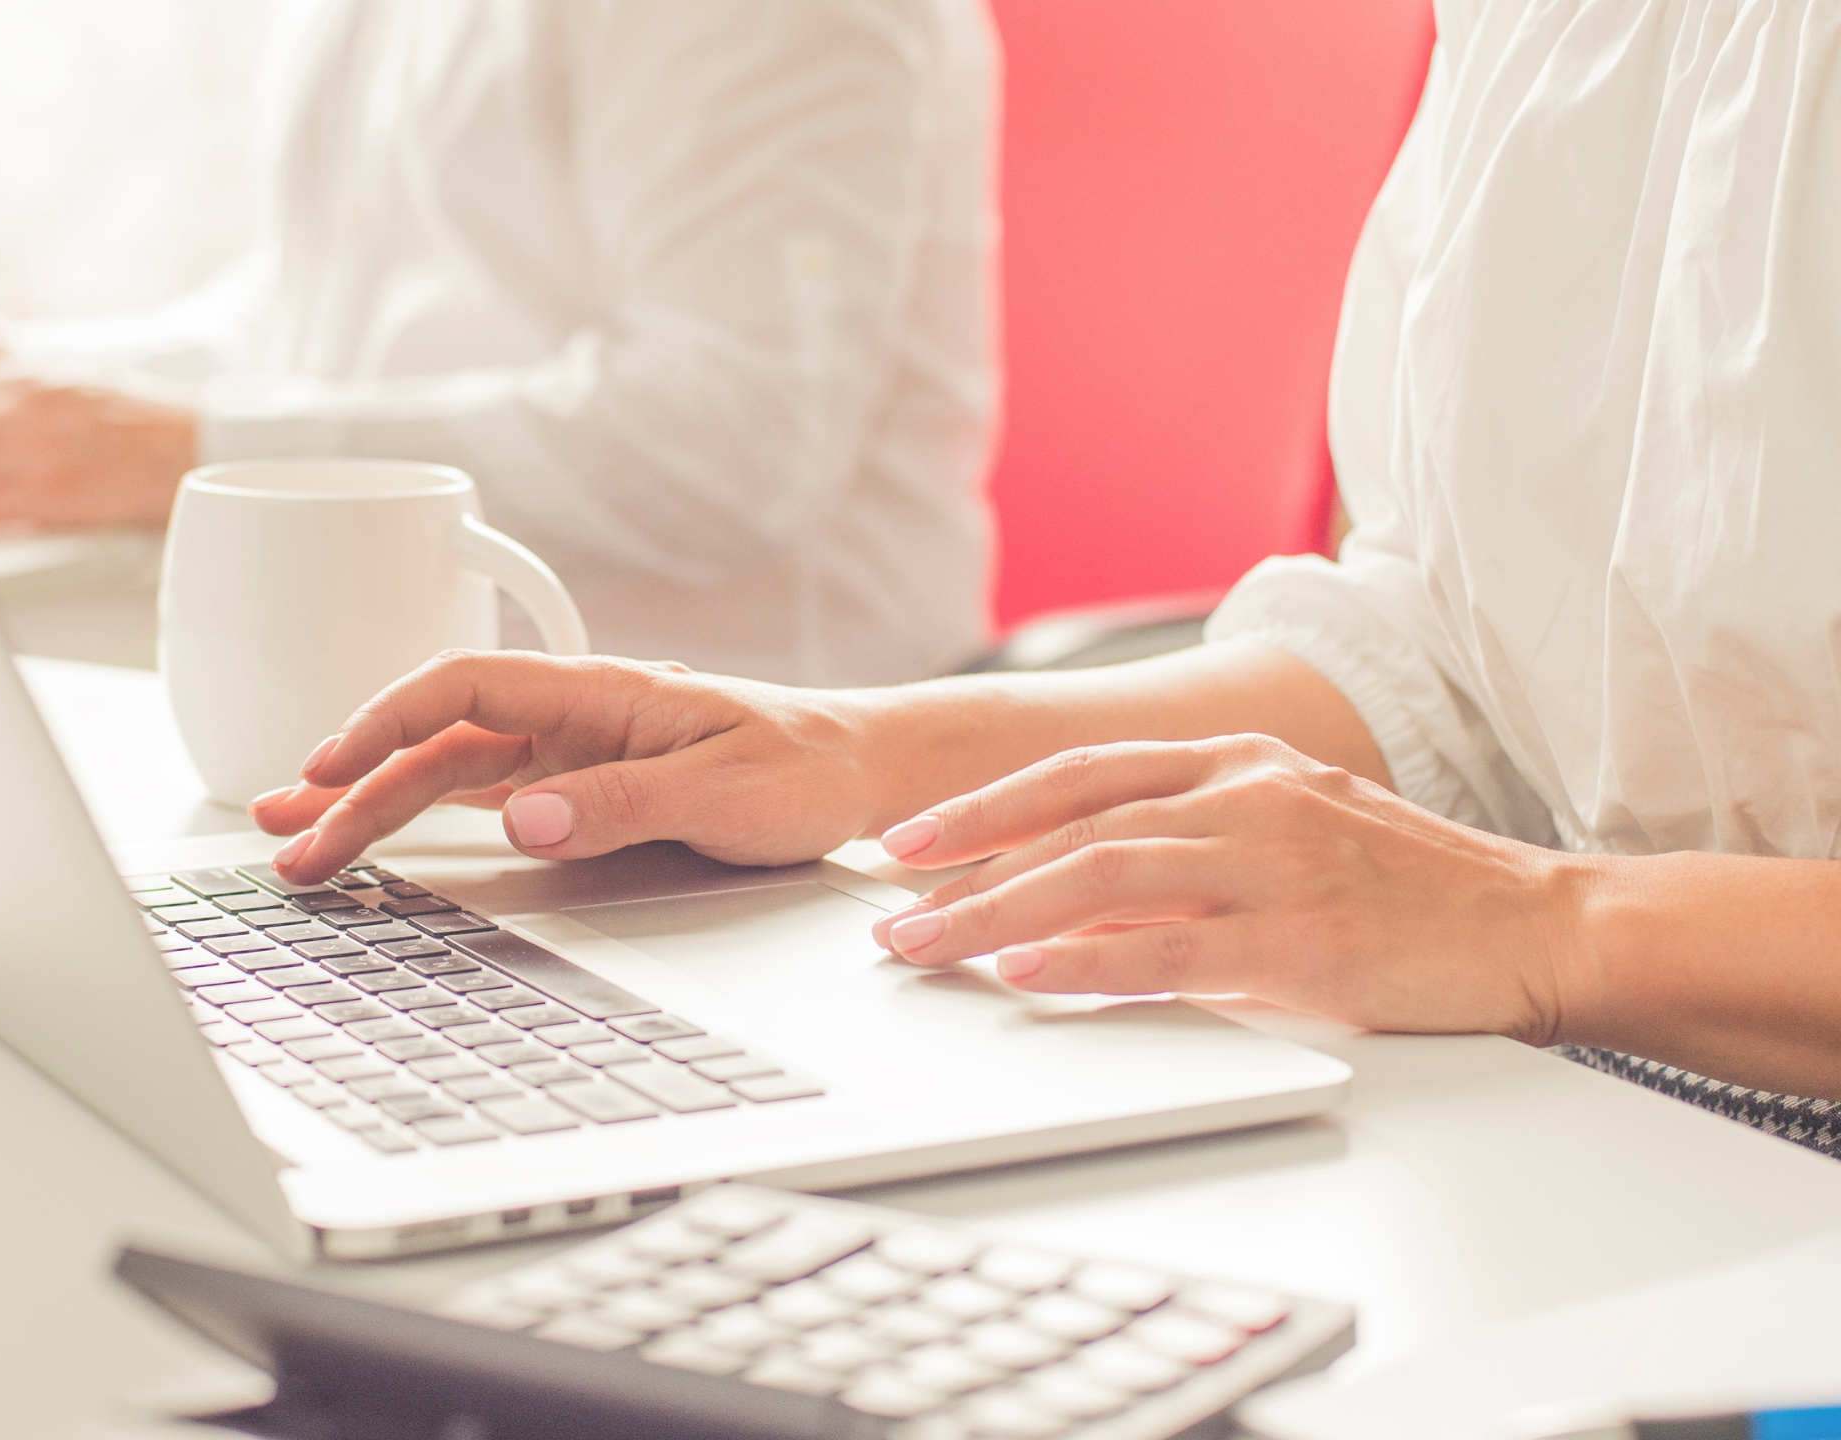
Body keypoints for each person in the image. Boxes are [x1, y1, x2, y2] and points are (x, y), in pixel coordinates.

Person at [246, 0, 1841, 1150]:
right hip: (1594, 1107)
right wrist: (858, 747)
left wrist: (1547, 926)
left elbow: (1534, 871)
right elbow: (1465, 672)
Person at [0, 0, 1001, 686]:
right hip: (387, 691)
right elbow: (317, 311)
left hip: (736, 773)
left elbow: (728, 438)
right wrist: (57, 396)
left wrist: (186, 448)